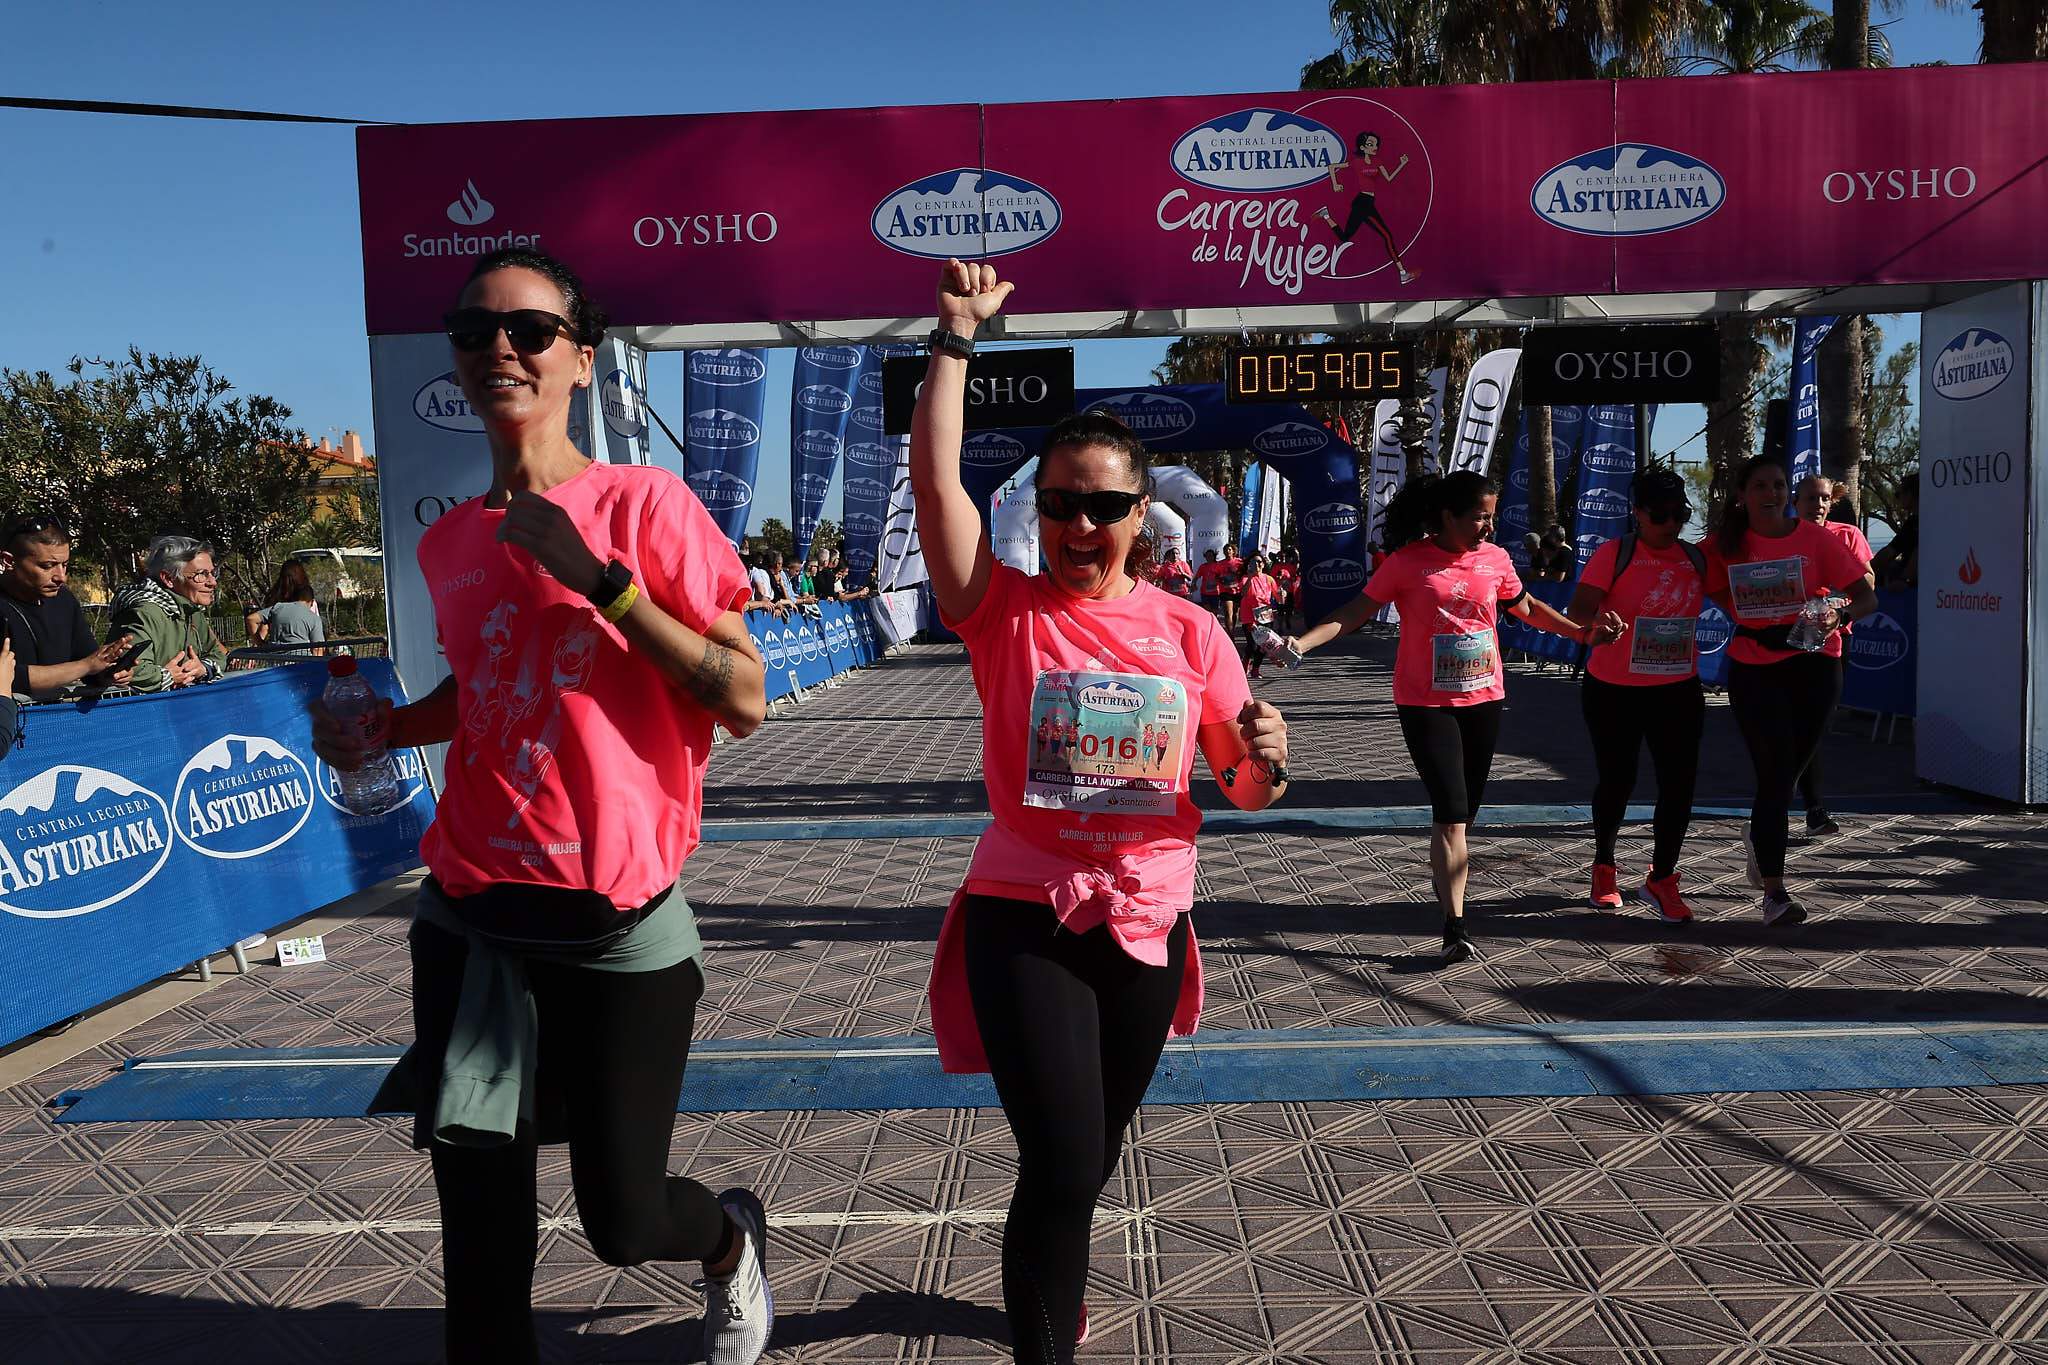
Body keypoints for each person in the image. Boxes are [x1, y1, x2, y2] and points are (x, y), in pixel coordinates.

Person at [315, 247, 774, 1365]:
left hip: (617, 926)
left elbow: (744, 697)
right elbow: (484, 688)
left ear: (581, 356)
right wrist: (386, 729)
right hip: (471, 917)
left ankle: (729, 1241)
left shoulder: (645, 505)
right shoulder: (449, 539)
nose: (500, 350)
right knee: (481, 1244)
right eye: (474, 331)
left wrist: (603, 579)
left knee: (625, 1222)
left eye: (529, 330)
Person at [913, 259, 1290, 1364]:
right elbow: (937, 487)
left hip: (1146, 919)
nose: (1082, 524)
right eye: (1061, 504)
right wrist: (955, 340)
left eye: (1106, 506)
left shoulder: (1192, 634)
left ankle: (1058, 1281)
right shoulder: (1000, 608)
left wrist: (1268, 761)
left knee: (1093, 1149)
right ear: (1037, 510)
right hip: (1024, 908)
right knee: (1065, 1158)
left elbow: (1243, 789)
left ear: (1143, 516)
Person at [1289, 471, 1622, 963]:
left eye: (1491, 516)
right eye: (1479, 517)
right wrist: (1302, 643)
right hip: (1425, 702)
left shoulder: (1496, 559)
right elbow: (1355, 612)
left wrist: (1581, 634)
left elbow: (1526, 607)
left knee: (1464, 815)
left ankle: (1452, 909)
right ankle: (1455, 926)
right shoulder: (1407, 562)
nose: (1488, 526)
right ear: (1448, 516)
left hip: (1484, 698)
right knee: (1450, 813)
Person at [1706, 457, 1876, 926]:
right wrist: (1736, 607)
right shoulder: (1723, 544)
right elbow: (1698, 577)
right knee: (1776, 774)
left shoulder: (1818, 539)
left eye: (1779, 485)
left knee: (1784, 779)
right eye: (1761, 485)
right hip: (1754, 667)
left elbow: (1867, 596)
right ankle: (1774, 894)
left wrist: (1840, 615)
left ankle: (1761, 841)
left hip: (1816, 665)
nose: (1772, 494)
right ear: (1742, 494)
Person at [1564, 467, 1709, 923]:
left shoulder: (1695, 557)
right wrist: (1599, 622)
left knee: (1679, 785)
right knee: (1617, 780)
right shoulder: (1617, 552)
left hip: (1677, 689)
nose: (1671, 524)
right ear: (1638, 513)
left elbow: (1738, 601)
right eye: (1660, 515)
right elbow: (1578, 609)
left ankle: (1662, 878)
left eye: (1680, 515)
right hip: (1614, 689)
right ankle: (1604, 867)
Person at [1791, 475, 1875, 839]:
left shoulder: (1847, 535)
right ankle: (1813, 809)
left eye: (1824, 498)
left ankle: (1785, 796)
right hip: (1788, 638)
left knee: (1815, 726)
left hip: (1834, 640)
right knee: (1796, 725)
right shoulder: (1785, 536)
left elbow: (1868, 584)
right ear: (1795, 502)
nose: (1819, 505)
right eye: (1811, 498)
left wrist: (1837, 605)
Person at [0, 513, 134, 698]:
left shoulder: (64, 600)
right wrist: (87, 666)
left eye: (65, 565)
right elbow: (12, 677)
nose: (61, 577)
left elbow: (88, 661)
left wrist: (110, 670)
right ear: (8, 561)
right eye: (47, 566)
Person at [106, 534, 228, 692]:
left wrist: (202, 668)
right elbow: (128, 670)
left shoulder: (192, 612)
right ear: (168, 578)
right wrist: (166, 676)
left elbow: (218, 654)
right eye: (201, 574)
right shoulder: (144, 613)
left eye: (212, 573)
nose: (213, 582)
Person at [1312, 130, 1417, 284]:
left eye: (1375, 144)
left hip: (1367, 202)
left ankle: (1326, 215)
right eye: (1370, 144)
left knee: (1345, 237)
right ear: (1362, 147)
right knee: (1387, 236)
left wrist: (1402, 164)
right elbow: (1332, 167)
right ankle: (1402, 273)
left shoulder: (1377, 161)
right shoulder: (1357, 162)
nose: (1374, 147)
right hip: (1362, 203)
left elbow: (1389, 178)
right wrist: (1335, 184)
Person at [250, 559, 327, 653]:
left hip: (275, 655)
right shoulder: (309, 603)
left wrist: (261, 645)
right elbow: (317, 645)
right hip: (302, 656)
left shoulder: (277, 604)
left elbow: (256, 622)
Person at [1871, 471, 1919, 590]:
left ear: (1910, 494)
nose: (1897, 498)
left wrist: (1863, 571)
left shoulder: (1915, 522)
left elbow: (1889, 552)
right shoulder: (1917, 520)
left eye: (1898, 494)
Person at [1238, 552, 1282, 680]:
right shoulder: (1245, 578)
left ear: (1263, 564)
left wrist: (1282, 593)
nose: (1257, 564)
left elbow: (1279, 599)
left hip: (1266, 615)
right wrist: (1250, 577)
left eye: (1259, 562)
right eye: (1253, 562)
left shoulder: (1269, 579)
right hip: (1250, 616)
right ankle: (1245, 664)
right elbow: (1243, 593)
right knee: (1252, 645)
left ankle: (1255, 669)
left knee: (1263, 645)